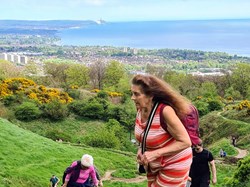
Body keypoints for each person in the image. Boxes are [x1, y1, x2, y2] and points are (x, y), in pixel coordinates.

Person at [131, 74, 193, 187]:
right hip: (153, 164)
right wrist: (142, 148)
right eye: (132, 93)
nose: (132, 97)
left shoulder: (165, 111)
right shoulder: (140, 109)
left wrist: (155, 153)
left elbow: (186, 142)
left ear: (150, 95)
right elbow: (146, 134)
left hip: (175, 162)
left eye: (136, 94)